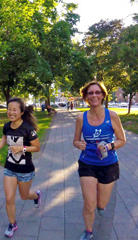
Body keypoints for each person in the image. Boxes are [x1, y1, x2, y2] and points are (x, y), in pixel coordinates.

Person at [73, 80, 126, 240]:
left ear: (103, 95)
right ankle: (89, 231)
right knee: (89, 203)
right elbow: (75, 140)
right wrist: (79, 144)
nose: (94, 95)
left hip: (108, 164)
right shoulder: (81, 118)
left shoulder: (113, 116)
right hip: (87, 163)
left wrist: (110, 146)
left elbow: (122, 140)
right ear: (86, 97)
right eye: (90, 93)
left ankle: (100, 206)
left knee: (101, 204)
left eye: (97, 92)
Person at [0, 97, 41, 238]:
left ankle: (36, 195)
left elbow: (37, 147)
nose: (11, 112)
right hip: (10, 168)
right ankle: (12, 224)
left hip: (25, 170)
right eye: (9, 109)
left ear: (21, 112)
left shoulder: (28, 128)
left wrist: (22, 148)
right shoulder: (7, 126)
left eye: (14, 110)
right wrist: (0, 146)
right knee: (9, 198)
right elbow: (4, 136)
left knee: (24, 196)